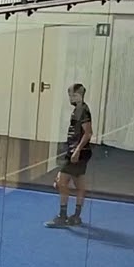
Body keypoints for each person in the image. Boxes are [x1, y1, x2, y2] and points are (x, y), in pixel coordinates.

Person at [46, 84, 93, 228]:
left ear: (81, 95)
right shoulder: (79, 110)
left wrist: (77, 150)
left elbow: (88, 133)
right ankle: (76, 216)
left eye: (74, 95)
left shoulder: (82, 111)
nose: (71, 98)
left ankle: (62, 216)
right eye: (70, 96)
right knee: (79, 184)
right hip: (76, 151)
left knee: (61, 182)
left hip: (76, 153)